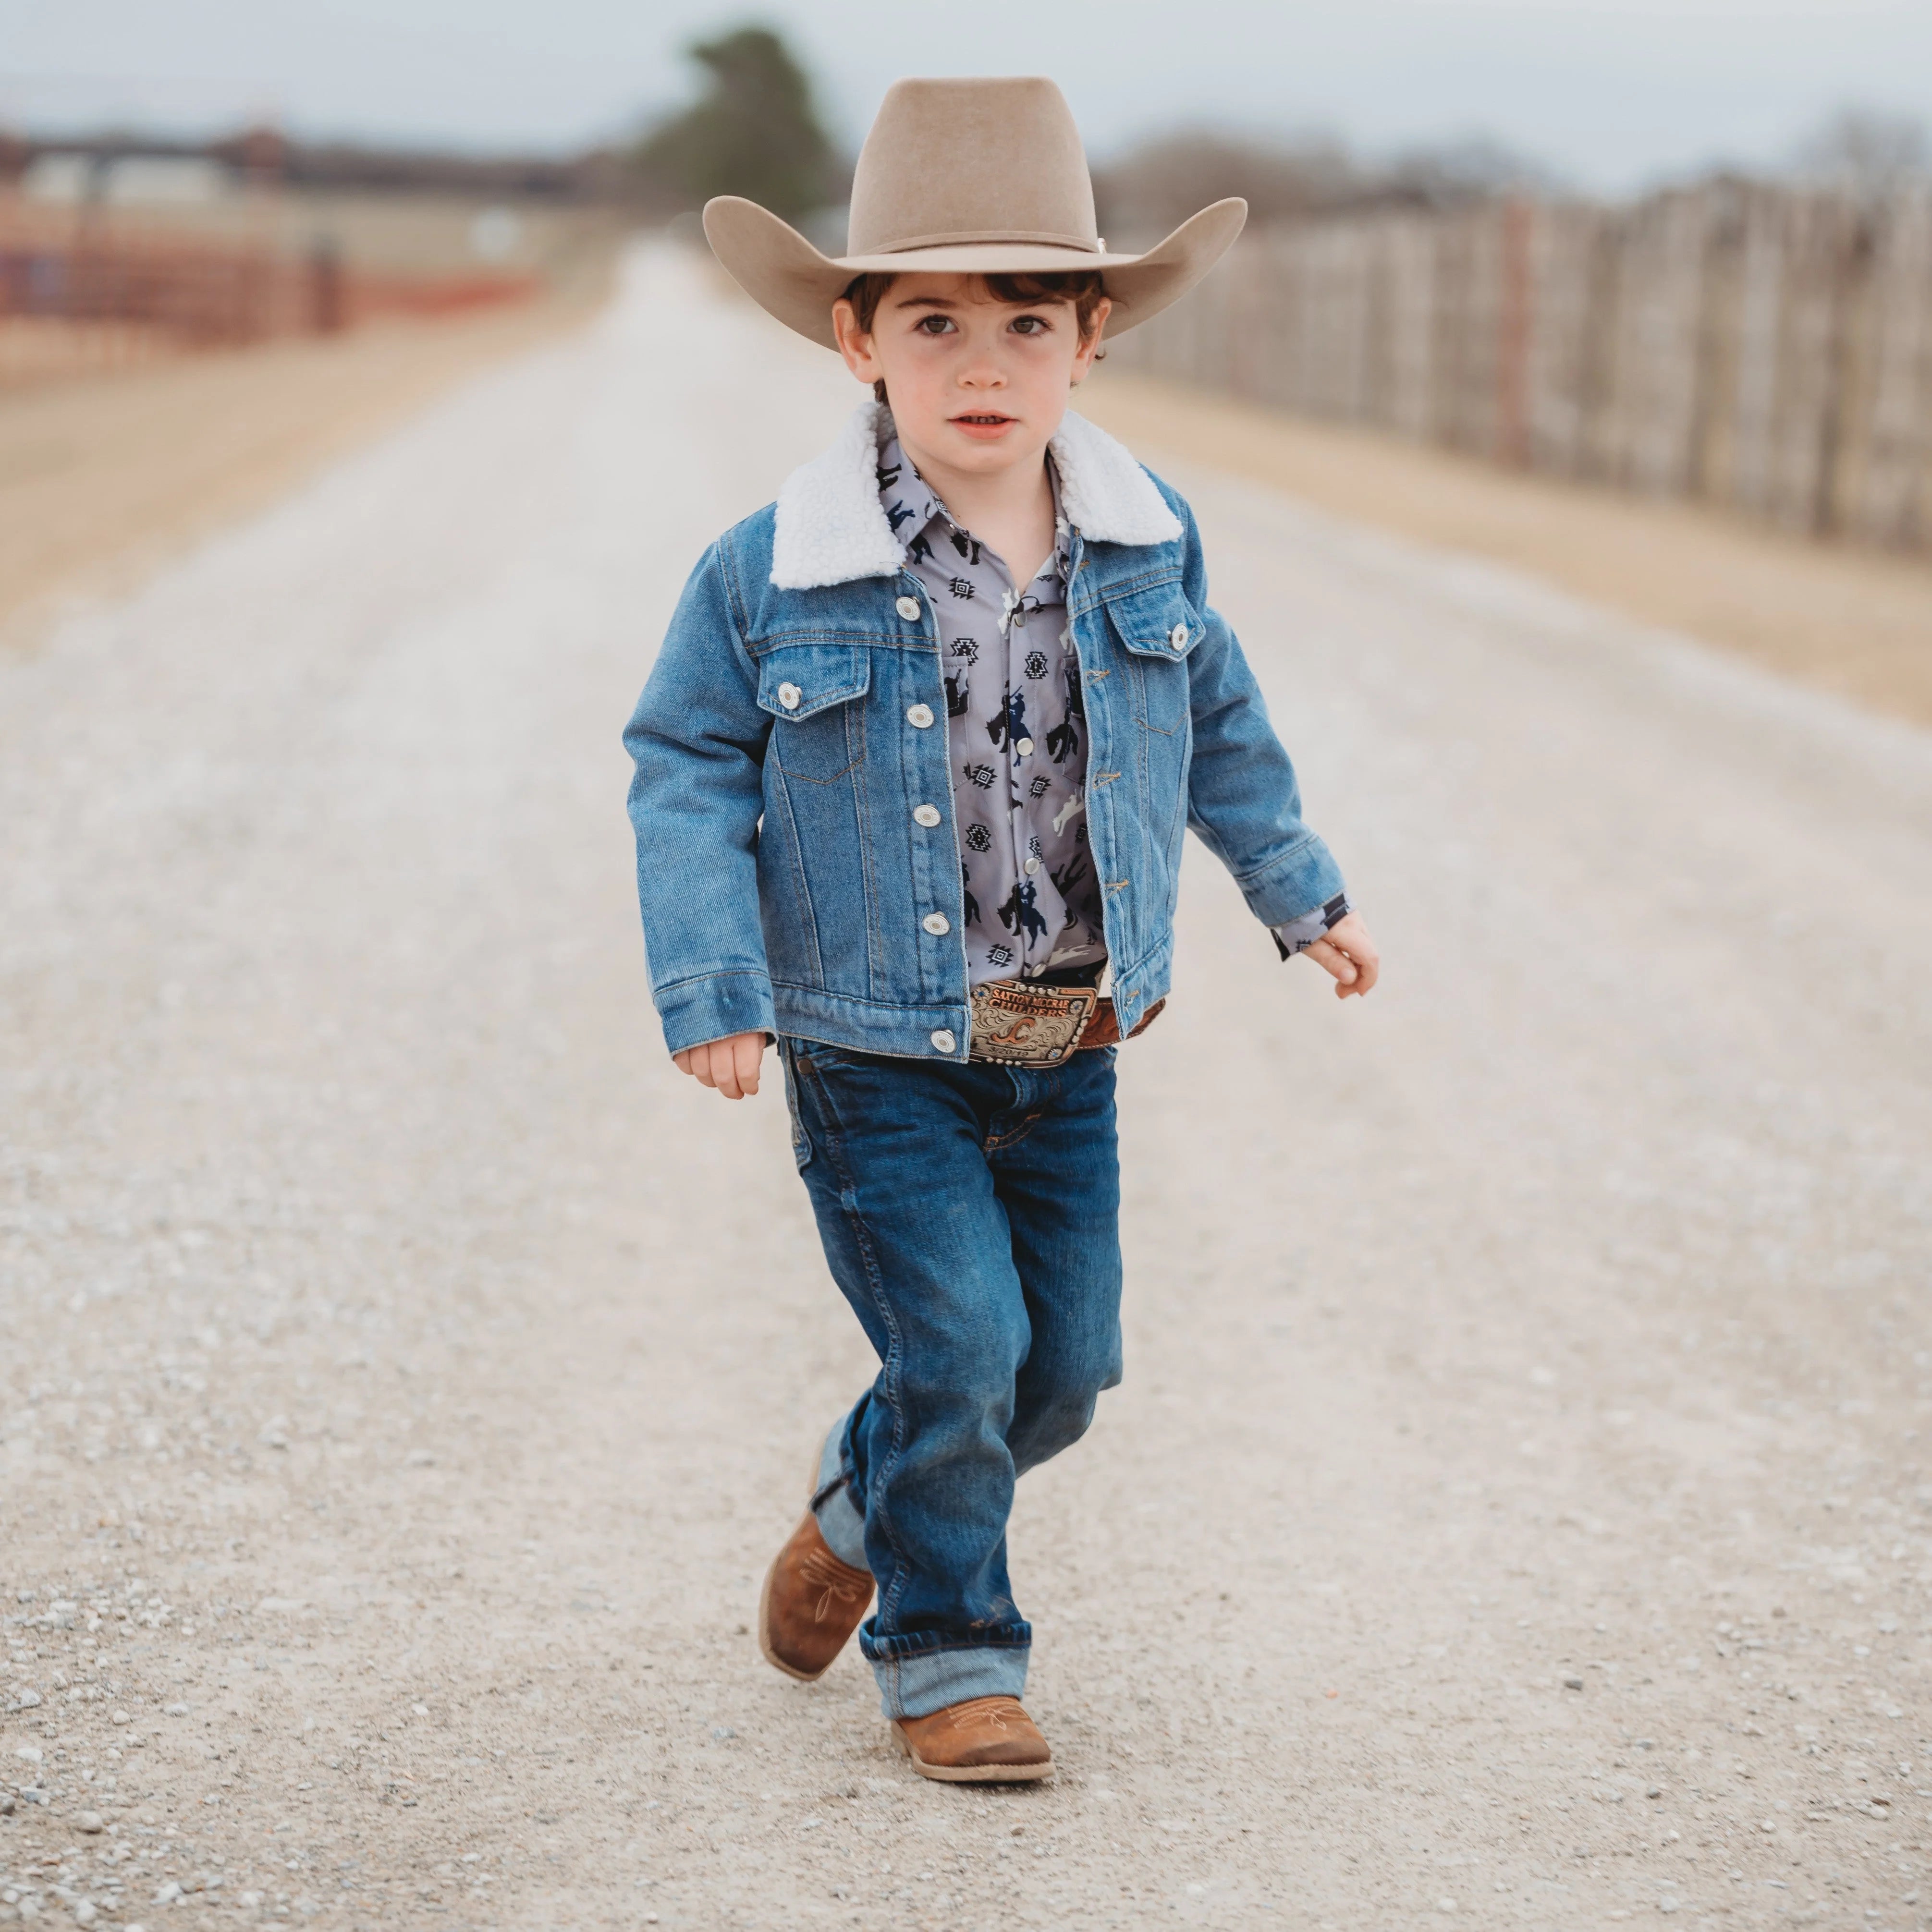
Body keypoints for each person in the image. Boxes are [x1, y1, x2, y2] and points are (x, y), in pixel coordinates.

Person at [624, 75, 1379, 1784]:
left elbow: (1225, 726)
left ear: (1090, 341)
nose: (983, 365)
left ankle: (859, 1502)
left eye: (1025, 322)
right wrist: (712, 980)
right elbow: (680, 766)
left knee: (1064, 1374)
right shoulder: (772, 573)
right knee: (959, 1345)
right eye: (936, 320)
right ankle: (953, 1653)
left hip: (1072, 1036)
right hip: (876, 1046)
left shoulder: (1144, 544)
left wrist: (1297, 888)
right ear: (855, 340)